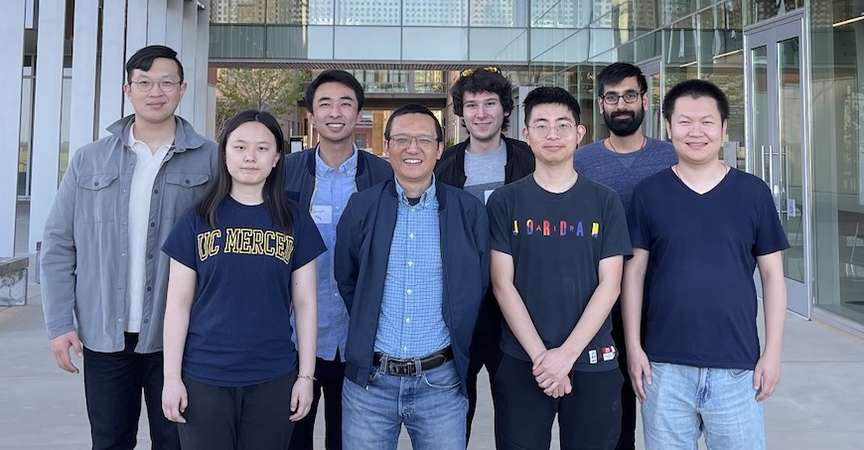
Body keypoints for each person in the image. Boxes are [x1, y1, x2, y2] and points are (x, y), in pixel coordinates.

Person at [41, 45, 216, 450]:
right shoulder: (89, 161)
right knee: (110, 441)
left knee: (177, 442)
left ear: (182, 88)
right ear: (128, 89)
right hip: (105, 337)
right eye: (144, 83)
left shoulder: (210, 160)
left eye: (166, 83)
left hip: (181, 339)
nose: (156, 91)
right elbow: (57, 246)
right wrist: (60, 325)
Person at [623, 79, 788, 450]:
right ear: (668, 128)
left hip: (735, 366)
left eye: (707, 122)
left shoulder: (753, 193)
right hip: (663, 368)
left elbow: (773, 276)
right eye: (684, 122)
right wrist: (634, 346)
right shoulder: (649, 194)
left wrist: (772, 353)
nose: (695, 132)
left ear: (725, 128)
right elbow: (633, 275)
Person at [160, 110, 325, 449]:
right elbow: (177, 304)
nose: (250, 157)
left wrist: (305, 377)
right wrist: (171, 378)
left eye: (263, 148)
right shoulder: (197, 218)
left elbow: (306, 304)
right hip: (204, 377)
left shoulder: (295, 220)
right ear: (224, 154)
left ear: (278, 157)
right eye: (240, 147)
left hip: (273, 375)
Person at [335, 104, 489, 450]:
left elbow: (477, 285)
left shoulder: (468, 211)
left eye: (423, 140)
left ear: (439, 148)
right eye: (402, 139)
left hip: (441, 383)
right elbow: (347, 279)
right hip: (370, 385)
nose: (412, 149)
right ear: (386, 146)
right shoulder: (361, 207)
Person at [487, 87, 632, 449]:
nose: (552, 135)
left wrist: (565, 357)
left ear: (579, 134)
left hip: (592, 360)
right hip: (523, 360)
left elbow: (610, 285)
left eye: (562, 125)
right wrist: (542, 359)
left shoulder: (605, 201)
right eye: (541, 125)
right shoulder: (506, 201)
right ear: (526, 134)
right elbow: (503, 285)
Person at [283, 69, 392, 450]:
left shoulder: (382, 175)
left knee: (349, 441)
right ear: (311, 115)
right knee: (291, 438)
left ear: (358, 112)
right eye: (324, 103)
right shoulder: (284, 172)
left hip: (358, 338)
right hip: (295, 338)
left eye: (345, 103)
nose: (335, 112)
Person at [572, 62, 677, 450]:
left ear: (645, 101)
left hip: (663, 301)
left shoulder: (672, 157)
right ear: (600, 104)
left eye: (630, 95)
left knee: (661, 403)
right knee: (611, 409)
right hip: (600, 300)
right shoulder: (582, 162)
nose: (621, 105)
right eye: (612, 97)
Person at [434, 66, 534, 441]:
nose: (480, 113)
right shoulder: (444, 167)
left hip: (518, 302)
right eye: (472, 104)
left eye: (490, 103)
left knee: (516, 407)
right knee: (457, 406)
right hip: (462, 304)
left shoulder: (528, 160)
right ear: (461, 111)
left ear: (505, 109)